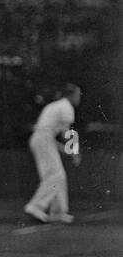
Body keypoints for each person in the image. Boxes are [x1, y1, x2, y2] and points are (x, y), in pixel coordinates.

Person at [24, 84, 81, 224]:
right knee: (56, 175)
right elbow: (67, 133)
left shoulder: (55, 106)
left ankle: (58, 212)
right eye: (78, 94)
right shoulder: (67, 107)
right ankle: (35, 206)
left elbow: (48, 132)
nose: (79, 97)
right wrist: (74, 152)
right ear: (71, 95)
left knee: (57, 176)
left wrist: (66, 150)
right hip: (43, 139)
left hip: (42, 139)